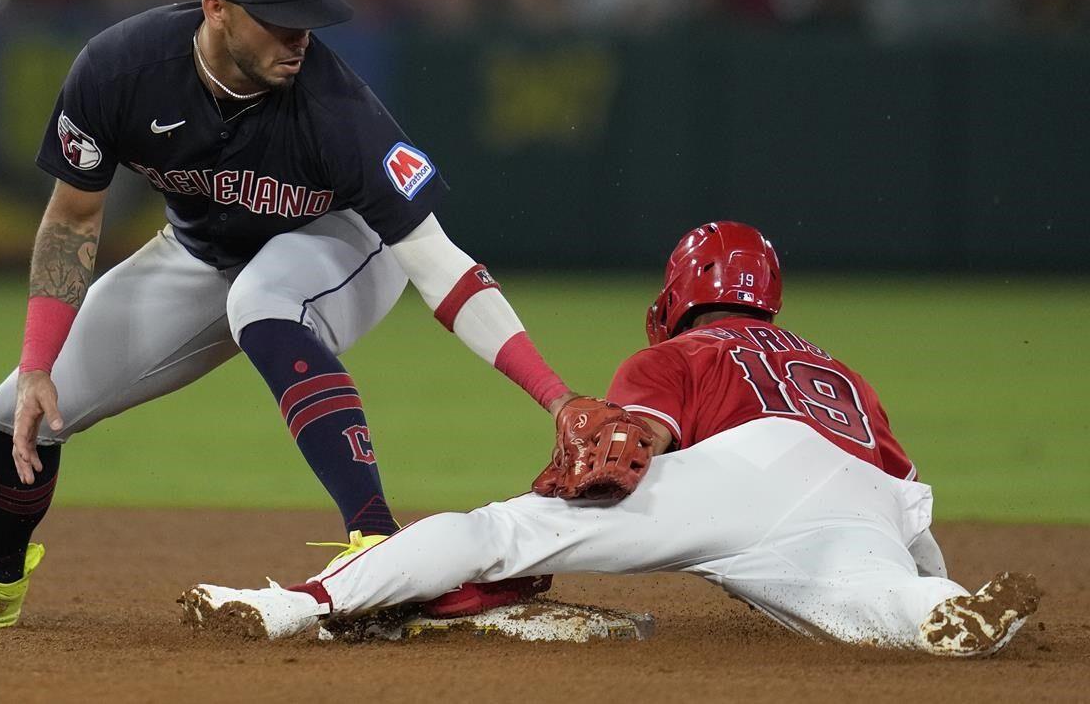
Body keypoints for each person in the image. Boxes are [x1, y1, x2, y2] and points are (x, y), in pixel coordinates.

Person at [0, 0, 608, 629]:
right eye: (278, 16)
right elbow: (75, 218)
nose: (299, 35)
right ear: (216, 9)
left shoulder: (338, 111)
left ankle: (376, 539)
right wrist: (38, 358)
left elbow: (441, 265)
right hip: (198, 255)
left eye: (307, 16)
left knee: (263, 300)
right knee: (13, 407)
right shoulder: (120, 70)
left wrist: (556, 395)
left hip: (344, 246)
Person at [180, 221, 1041, 657]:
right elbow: (908, 500)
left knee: (496, 533)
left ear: (679, 292)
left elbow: (626, 450)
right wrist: (928, 568)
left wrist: (562, 503)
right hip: (866, 500)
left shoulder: (683, 349)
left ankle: (296, 604)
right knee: (878, 602)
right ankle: (946, 615)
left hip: (745, 469)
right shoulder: (843, 372)